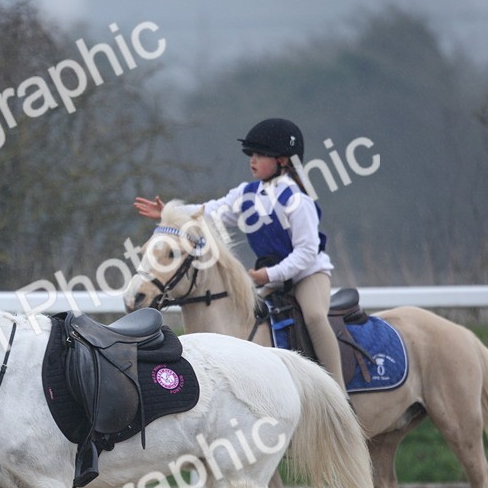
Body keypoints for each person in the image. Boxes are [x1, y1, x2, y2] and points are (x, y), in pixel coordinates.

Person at [134, 118, 346, 392]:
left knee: (315, 316)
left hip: (308, 276)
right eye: (252, 155)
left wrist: (269, 274)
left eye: (260, 155)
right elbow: (210, 211)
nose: (253, 161)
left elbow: (307, 252)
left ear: (283, 160)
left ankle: (338, 390)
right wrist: (169, 214)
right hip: (271, 279)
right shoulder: (247, 194)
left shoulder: (298, 201)